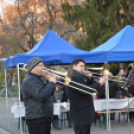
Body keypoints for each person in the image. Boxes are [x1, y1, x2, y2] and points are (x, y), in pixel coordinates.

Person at [65, 58, 106, 134]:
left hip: (84, 114)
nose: (83, 69)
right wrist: (100, 83)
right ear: (74, 66)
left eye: (84, 66)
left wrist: (89, 79)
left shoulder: (79, 77)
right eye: (81, 66)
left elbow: (88, 90)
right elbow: (85, 90)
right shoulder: (72, 77)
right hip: (80, 115)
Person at [21, 57, 57, 134]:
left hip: (43, 118)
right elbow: (42, 96)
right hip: (37, 120)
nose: (43, 67)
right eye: (40, 65)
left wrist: (49, 81)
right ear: (33, 68)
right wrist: (51, 83)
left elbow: (50, 94)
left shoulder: (38, 79)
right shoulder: (29, 80)